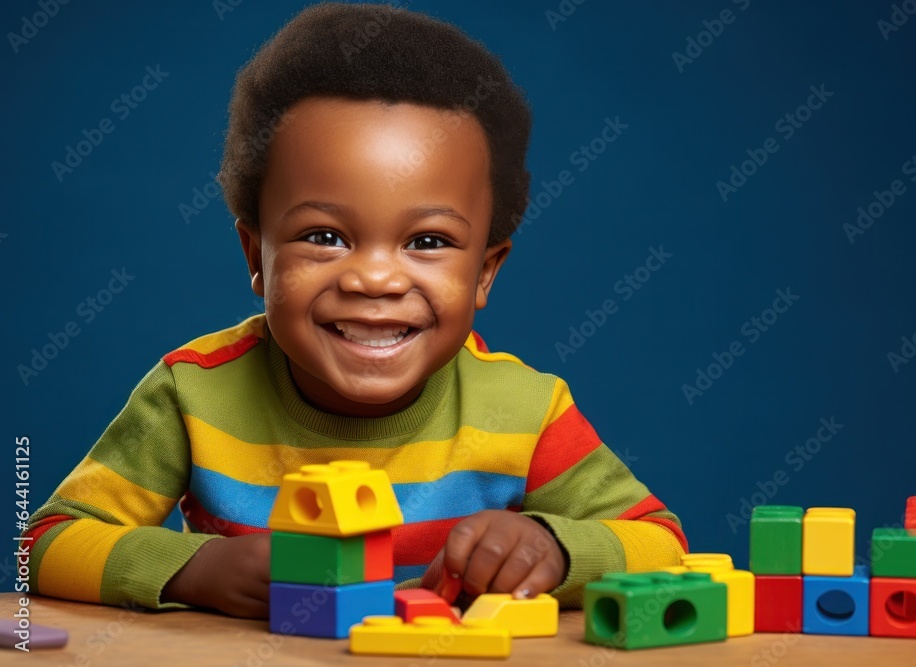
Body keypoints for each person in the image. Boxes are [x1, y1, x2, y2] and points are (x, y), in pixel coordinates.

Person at [23, 2, 687, 619]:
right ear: (256, 254)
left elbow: (660, 542)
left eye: (427, 241)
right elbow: (47, 544)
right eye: (324, 236)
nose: (374, 277)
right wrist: (196, 567)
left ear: (484, 271)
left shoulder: (527, 412)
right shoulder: (192, 392)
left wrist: (555, 547)